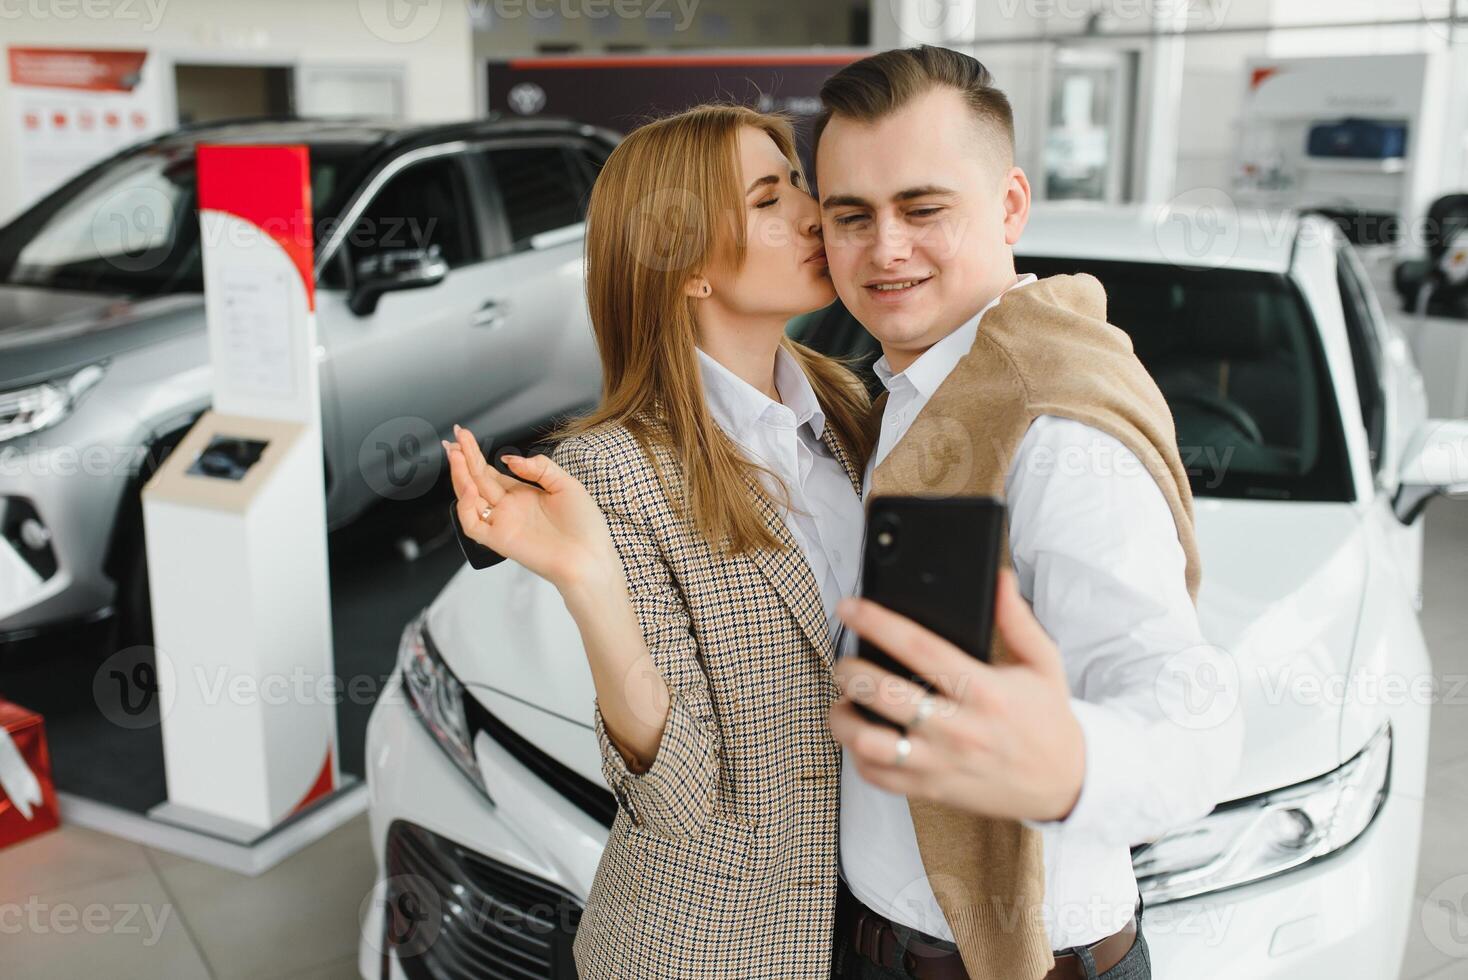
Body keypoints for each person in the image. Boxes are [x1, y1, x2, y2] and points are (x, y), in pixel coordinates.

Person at [811, 46, 1245, 980]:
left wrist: (1071, 765)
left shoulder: (1053, 422)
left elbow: (1182, 698)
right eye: (851, 215)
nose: (885, 247)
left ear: (1009, 205)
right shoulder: (919, 387)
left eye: (923, 209)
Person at [443, 104, 873, 979]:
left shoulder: (858, 412)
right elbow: (675, 801)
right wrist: (590, 583)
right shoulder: (616, 471)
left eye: (797, 179)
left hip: (881, 922)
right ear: (686, 267)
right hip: (718, 945)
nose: (810, 209)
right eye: (767, 199)